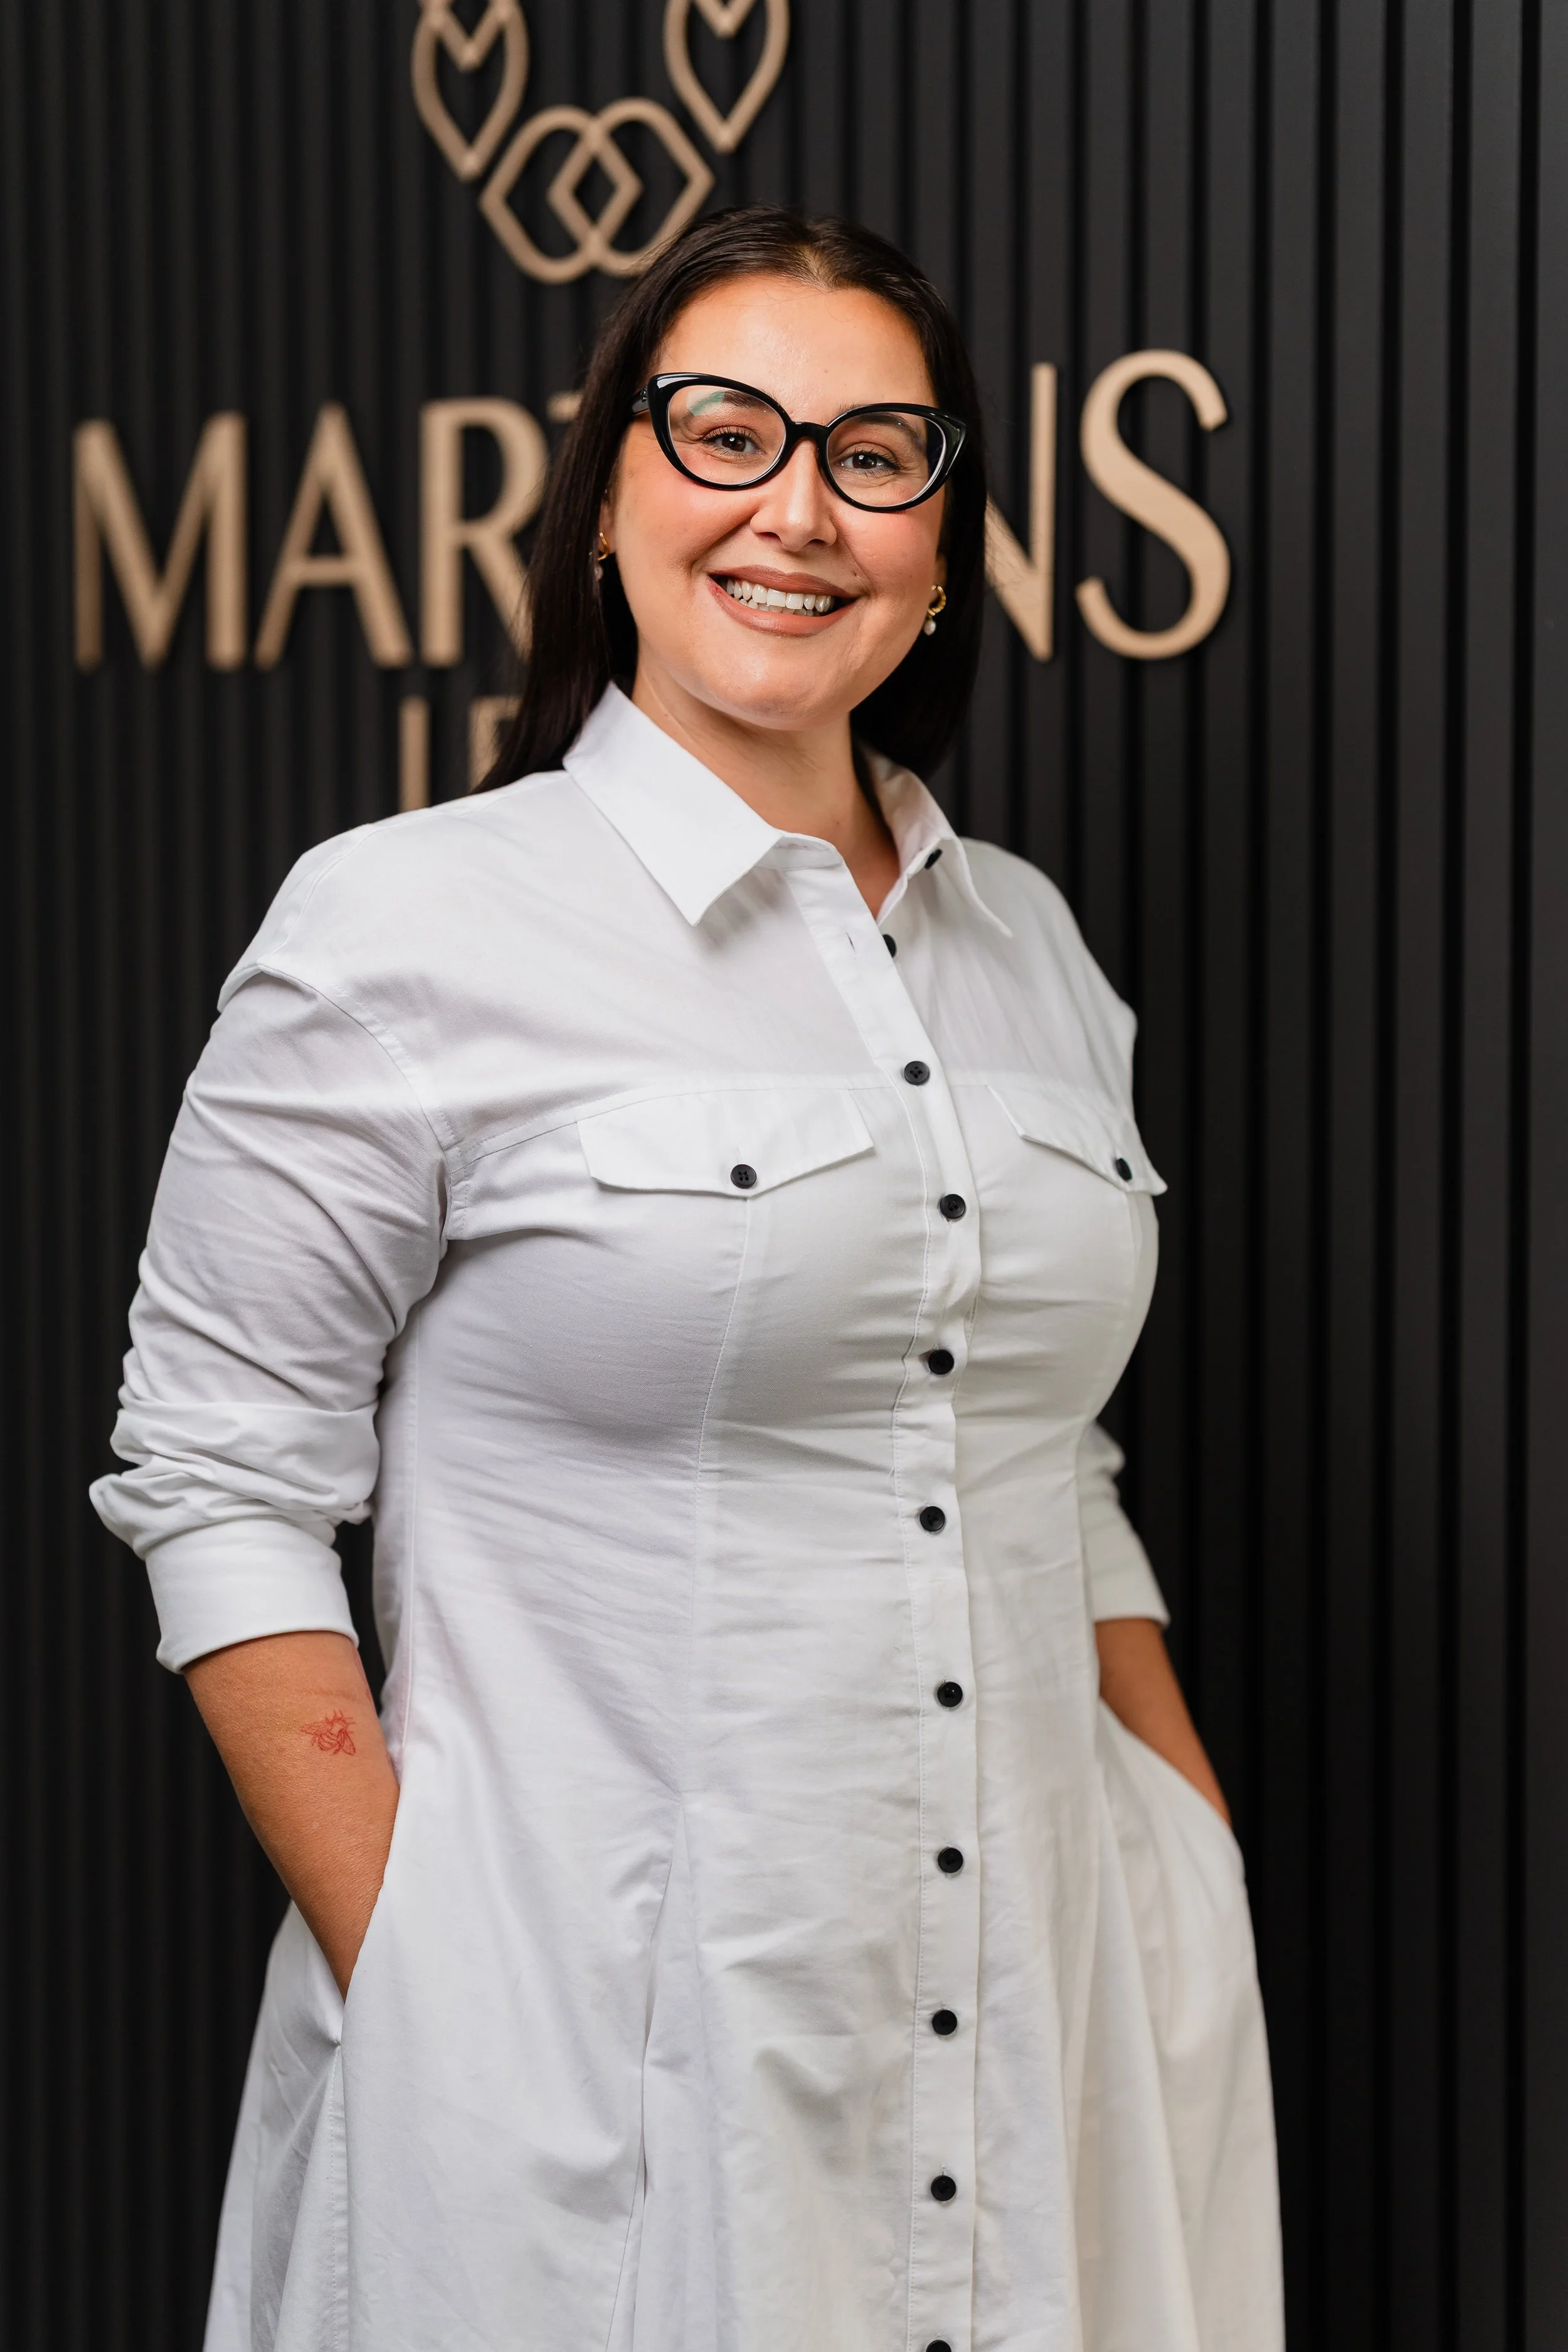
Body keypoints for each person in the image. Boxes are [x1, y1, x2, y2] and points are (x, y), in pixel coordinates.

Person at [93, 207, 1282, 2352]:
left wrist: (1171, 1832)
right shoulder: (402, 926)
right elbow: (218, 1475)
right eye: (724, 431)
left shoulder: (1025, 943)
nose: (794, 508)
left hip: (1055, 2025)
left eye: (873, 453)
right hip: (597, 2064)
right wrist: (429, 1964)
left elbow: (1036, 1435)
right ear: (613, 495)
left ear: (940, 542)